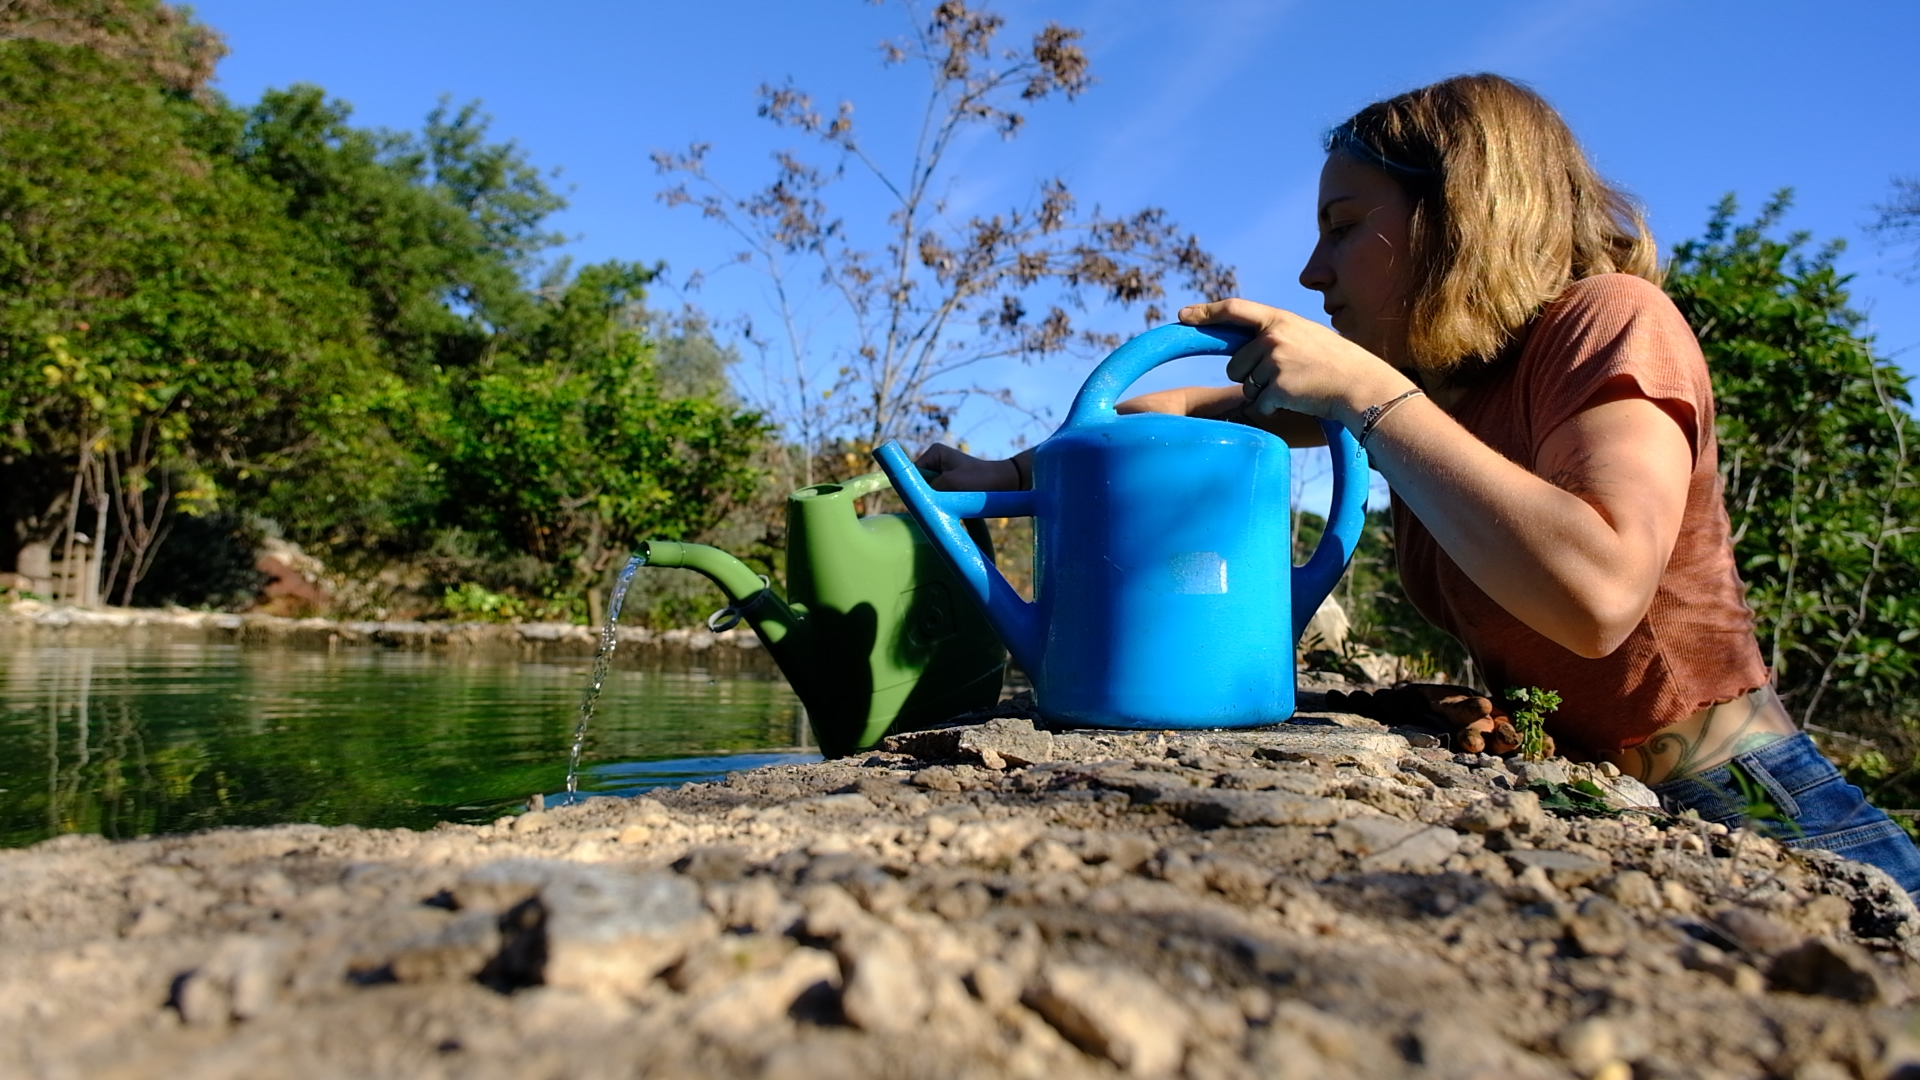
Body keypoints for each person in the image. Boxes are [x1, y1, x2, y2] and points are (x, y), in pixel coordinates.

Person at [915, 73, 1920, 895]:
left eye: (1344, 225)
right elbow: (1153, 420)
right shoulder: (1436, 385)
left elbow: (1600, 592)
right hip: (1607, 796)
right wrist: (1002, 475)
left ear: (1458, 220)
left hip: (1758, 802)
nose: (1312, 272)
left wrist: (1366, 393)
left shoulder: (1609, 322)